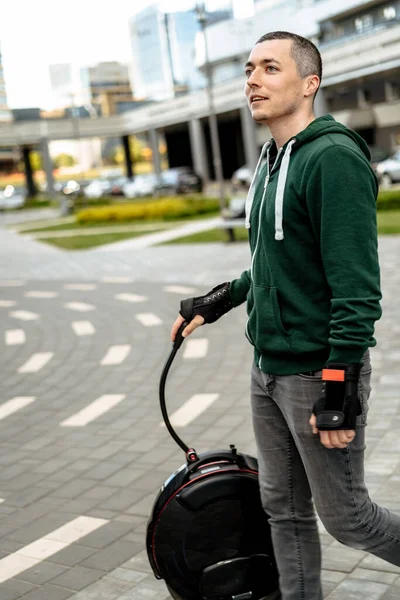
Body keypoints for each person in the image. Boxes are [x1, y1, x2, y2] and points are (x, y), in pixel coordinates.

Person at [171, 31, 400, 600]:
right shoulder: (272, 160)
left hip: (315, 373)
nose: (252, 79)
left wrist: (339, 385)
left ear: (309, 83)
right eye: (249, 68)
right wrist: (219, 301)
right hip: (267, 368)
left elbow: (357, 292)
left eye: (270, 68)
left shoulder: (333, 158)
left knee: (348, 518)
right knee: (284, 510)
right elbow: (273, 261)